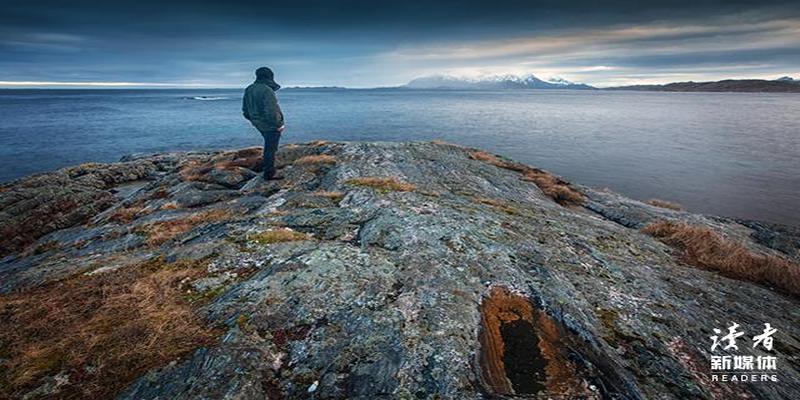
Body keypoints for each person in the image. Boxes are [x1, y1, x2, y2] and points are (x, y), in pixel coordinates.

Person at [242, 67, 285, 180]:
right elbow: (272, 110)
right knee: (271, 148)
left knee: (269, 146)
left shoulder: (249, 89)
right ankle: (269, 173)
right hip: (270, 125)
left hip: (258, 123)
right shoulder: (267, 90)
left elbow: (245, 110)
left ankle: (268, 168)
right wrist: (279, 125)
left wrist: (253, 120)